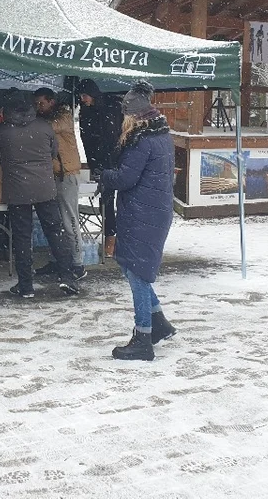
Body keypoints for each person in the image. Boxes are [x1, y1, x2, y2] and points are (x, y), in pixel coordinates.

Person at [98, 81, 176, 361]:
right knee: (133, 268)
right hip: (154, 211)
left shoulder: (141, 141)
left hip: (142, 214)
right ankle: (159, 324)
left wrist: (104, 175)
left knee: (136, 274)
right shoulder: (162, 136)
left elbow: (126, 179)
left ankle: (143, 338)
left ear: (135, 116)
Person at [0, 91, 79, 298]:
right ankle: (68, 278)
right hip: (45, 187)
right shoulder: (44, 126)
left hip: (18, 191)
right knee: (55, 232)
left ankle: (26, 286)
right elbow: (53, 152)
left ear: (7, 112)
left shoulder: (3, 130)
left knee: (23, 238)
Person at [32, 87, 86, 280]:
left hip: (67, 175)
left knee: (69, 221)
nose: (39, 107)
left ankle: (78, 264)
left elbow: (49, 127)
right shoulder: (46, 118)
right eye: (36, 104)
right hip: (53, 174)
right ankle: (59, 260)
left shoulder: (64, 117)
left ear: (51, 102)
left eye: (41, 103)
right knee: (55, 223)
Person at [78, 78, 123, 257]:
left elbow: (114, 136)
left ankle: (117, 239)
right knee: (106, 202)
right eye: (81, 96)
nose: (82, 99)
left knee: (120, 201)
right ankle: (109, 239)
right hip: (101, 162)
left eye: (85, 95)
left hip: (117, 159)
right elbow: (87, 140)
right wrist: (94, 163)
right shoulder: (86, 112)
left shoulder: (112, 108)